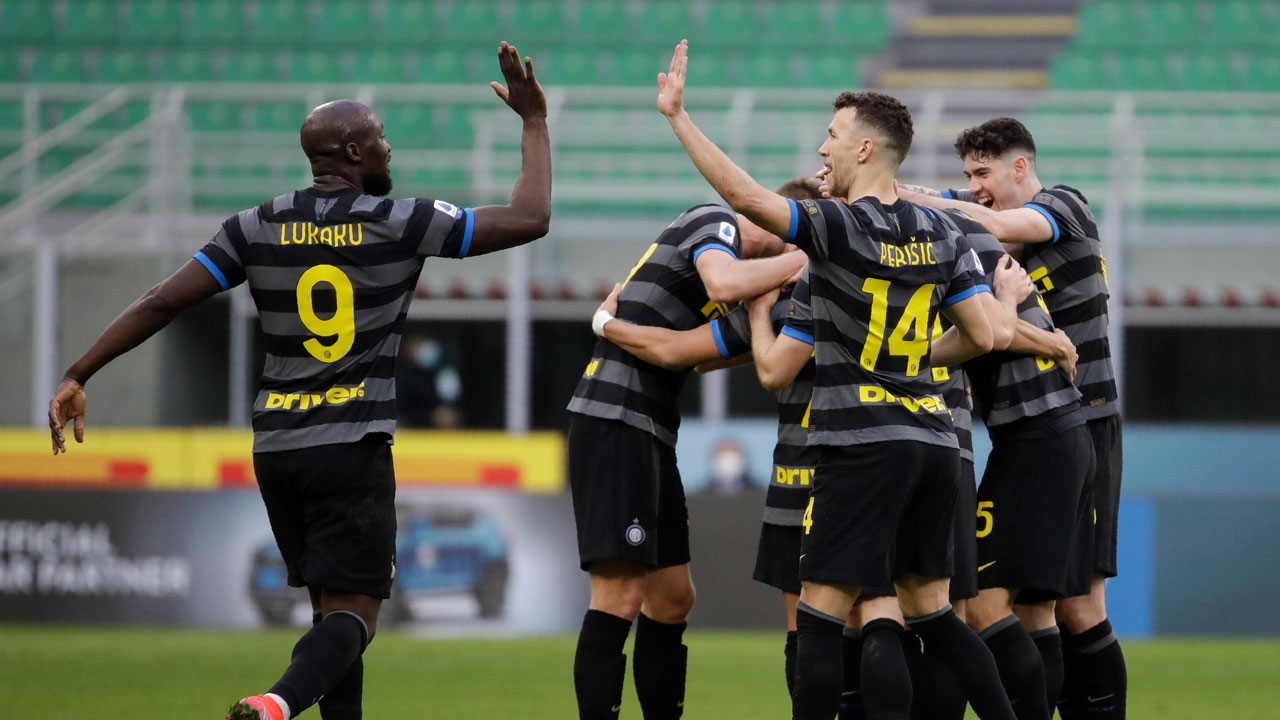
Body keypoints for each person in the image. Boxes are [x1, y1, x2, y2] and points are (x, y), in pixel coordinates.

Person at [47, 42, 551, 720]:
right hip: (351, 444)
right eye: (377, 139)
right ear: (350, 153)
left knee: (328, 616)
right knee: (357, 617)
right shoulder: (402, 223)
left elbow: (162, 299)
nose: (389, 148)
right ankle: (277, 704)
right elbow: (529, 218)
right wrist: (534, 124)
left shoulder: (253, 226)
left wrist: (80, 371)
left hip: (278, 447)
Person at [658, 39, 1020, 720]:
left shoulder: (836, 226)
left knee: (821, 619)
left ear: (864, 151)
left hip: (861, 449)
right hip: (937, 446)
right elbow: (989, 333)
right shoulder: (942, 232)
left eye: (832, 136)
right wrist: (914, 364)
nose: (822, 149)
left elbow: (742, 195)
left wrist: (678, 117)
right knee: (934, 613)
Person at [900, 117, 1126, 720]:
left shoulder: (1063, 206)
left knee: (1078, 604)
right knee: (1042, 607)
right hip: (1046, 424)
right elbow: (959, 209)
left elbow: (995, 222)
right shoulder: (995, 246)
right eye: (968, 174)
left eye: (984, 173)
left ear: (1020, 168)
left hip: (1086, 415)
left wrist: (895, 194)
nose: (975, 187)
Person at [566, 165, 807, 720]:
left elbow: (692, 355)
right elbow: (721, 284)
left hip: (651, 427)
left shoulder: (759, 295)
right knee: (619, 596)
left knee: (673, 598)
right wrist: (802, 259)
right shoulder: (714, 222)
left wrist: (609, 326)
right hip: (612, 417)